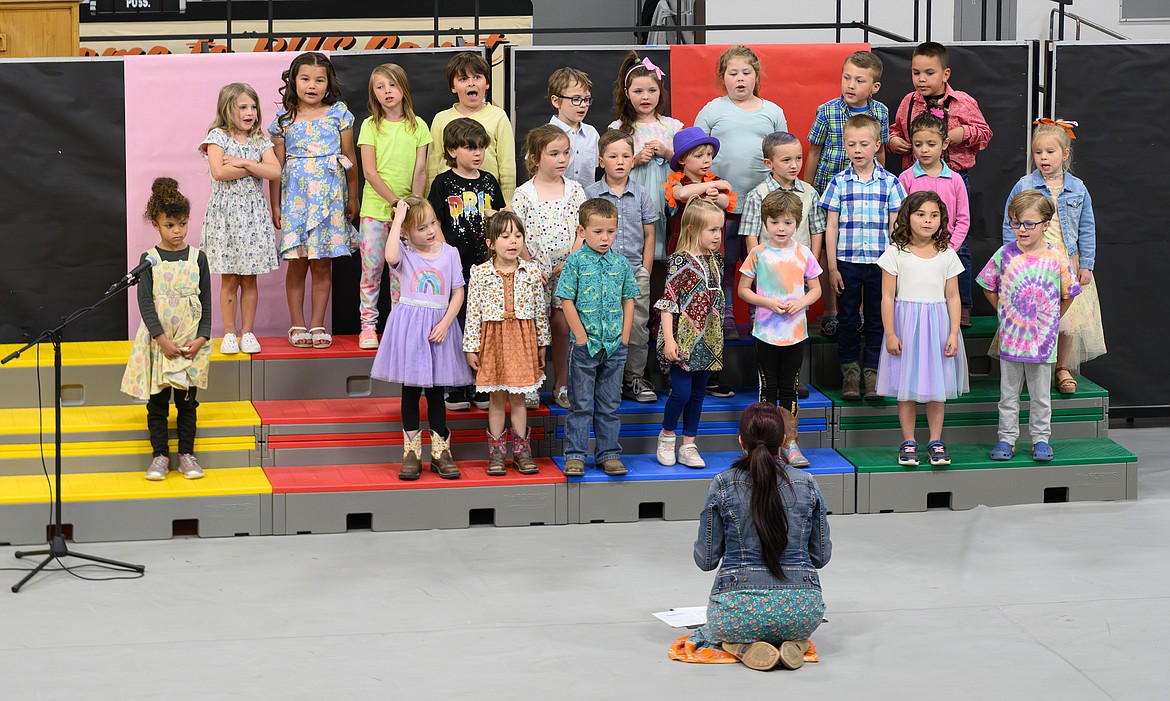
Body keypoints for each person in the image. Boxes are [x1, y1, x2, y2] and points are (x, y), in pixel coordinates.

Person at [670, 402, 831, 672]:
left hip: (737, 614)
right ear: (782, 440)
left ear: (741, 441)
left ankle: (741, 647)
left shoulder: (722, 483)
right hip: (803, 613)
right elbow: (821, 556)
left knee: (714, 631)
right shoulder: (807, 483)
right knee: (793, 627)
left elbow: (706, 560)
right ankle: (797, 644)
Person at [887, 41, 993, 328]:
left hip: (952, 179)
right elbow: (895, 129)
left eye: (929, 73)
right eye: (916, 73)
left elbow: (985, 134)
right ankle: (916, 296)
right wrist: (893, 140)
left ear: (945, 74)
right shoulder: (909, 102)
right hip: (916, 181)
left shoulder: (963, 102)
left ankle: (962, 305)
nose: (921, 79)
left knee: (959, 245)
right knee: (917, 240)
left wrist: (962, 133)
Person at [370, 198, 474, 480]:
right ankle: (411, 452)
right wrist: (399, 219)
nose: (429, 231)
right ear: (406, 233)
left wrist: (446, 323)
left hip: (439, 327)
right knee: (411, 390)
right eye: (421, 228)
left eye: (432, 224)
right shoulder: (403, 251)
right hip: (411, 328)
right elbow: (390, 257)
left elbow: (458, 292)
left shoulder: (449, 253)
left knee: (436, 392)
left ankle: (441, 451)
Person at [1001, 119, 1104, 394]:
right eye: (1038, 152)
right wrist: (1011, 259)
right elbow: (1009, 223)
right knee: (1034, 313)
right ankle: (1033, 365)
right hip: (1033, 261)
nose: (1043, 158)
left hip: (1065, 260)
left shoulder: (1078, 188)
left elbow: (1087, 227)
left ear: (1065, 154)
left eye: (1050, 152)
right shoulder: (1024, 185)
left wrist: (1086, 264)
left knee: (1067, 319)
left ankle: (1061, 368)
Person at [694, 45, 788, 345]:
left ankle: (759, 314)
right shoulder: (713, 110)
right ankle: (725, 316)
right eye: (732, 73)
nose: (740, 79)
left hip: (763, 204)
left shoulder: (772, 111)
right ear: (723, 77)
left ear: (756, 75)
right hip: (720, 204)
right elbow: (694, 155)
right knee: (724, 262)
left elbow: (783, 152)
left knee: (761, 262)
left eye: (746, 73)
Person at [978, 191, 1080, 462]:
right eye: (1016, 223)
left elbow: (1068, 291)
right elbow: (988, 285)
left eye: (1029, 223)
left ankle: (1041, 439)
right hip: (1012, 339)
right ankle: (1006, 439)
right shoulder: (1005, 254)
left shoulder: (1056, 256)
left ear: (1046, 224)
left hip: (1042, 342)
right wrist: (1005, 310)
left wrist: (1053, 318)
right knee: (1008, 395)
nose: (1022, 229)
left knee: (1040, 395)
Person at [268, 52, 359, 350]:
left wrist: (353, 196)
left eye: (319, 80)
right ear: (294, 81)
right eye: (305, 79)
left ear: (328, 83)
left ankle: (318, 322)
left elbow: (351, 159)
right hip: (296, 199)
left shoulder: (339, 115)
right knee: (298, 263)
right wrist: (276, 205)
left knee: (322, 265)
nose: (312, 85)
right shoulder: (283, 122)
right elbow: (276, 169)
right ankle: (297, 323)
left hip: (331, 198)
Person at [121, 178, 210, 481]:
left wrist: (202, 337)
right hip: (161, 344)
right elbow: (145, 303)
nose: (177, 231)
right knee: (158, 402)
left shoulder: (199, 258)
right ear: (156, 224)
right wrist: (160, 339)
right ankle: (160, 456)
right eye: (170, 225)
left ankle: (186, 454)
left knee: (187, 402)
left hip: (189, 344)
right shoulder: (149, 260)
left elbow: (206, 301)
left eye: (182, 224)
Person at [877, 191, 968, 467]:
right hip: (906, 327)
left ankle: (936, 441)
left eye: (934, 215)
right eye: (920, 214)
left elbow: (953, 296)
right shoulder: (895, 252)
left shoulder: (947, 254)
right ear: (908, 217)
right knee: (907, 388)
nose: (927, 221)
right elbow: (886, 297)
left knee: (935, 388)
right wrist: (891, 333)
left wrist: (953, 332)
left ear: (942, 220)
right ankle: (908, 441)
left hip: (937, 327)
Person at [821, 114, 907, 401]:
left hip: (880, 264)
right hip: (847, 262)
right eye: (851, 144)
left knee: (876, 319)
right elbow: (831, 226)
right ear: (844, 147)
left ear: (877, 145)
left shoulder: (890, 183)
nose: (858, 150)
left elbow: (897, 227)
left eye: (864, 144)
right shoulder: (839, 183)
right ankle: (850, 373)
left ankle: (873, 373)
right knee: (846, 319)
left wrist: (896, 265)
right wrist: (832, 267)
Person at [804, 51, 888, 338]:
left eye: (859, 80)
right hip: (831, 189)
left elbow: (883, 150)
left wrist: (882, 185)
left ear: (874, 87)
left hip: (866, 192)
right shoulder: (827, 111)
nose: (850, 85)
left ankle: (860, 313)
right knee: (831, 252)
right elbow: (814, 150)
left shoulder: (881, 113)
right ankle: (830, 312)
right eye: (846, 78)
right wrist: (807, 190)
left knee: (861, 253)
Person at [737, 191, 823, 467]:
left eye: (787, 222)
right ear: (765, 223)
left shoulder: (803, 253)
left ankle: (791, 443)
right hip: (765, 332)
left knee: (791, 388)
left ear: (796, 223)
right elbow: (742, 290)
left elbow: (816, 289)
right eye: (774, 222)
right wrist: (767, 302)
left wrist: (801, 303)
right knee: (767, 389)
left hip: (795, 333)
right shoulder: (758, 253)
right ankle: (763, 444)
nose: (781, 228)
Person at [463, 212, 551, 476]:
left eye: (518, 235)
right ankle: (497, 454)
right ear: (491, 243)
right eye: (505, 236)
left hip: (523, 339)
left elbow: (539, 310)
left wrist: (542, 343)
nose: (513, 241)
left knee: (519, 399)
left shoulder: (532, 271)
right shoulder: (480, 273)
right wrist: (471, 347)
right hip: (493, 341)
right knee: (496, 399)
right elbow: (473, 312)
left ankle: (522, 452)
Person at [556, 198, 639, 477]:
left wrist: (624, 337)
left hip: (615, 345)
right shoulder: (575, 262)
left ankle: (608, 453)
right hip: (585, 347)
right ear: (582, 231)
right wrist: (580, 337)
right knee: (580, 405)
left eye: (611, 232)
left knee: (609, 405)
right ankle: (576, 455)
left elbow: (629, 299)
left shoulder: (621, 263)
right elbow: (566, 300)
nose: (605, 238)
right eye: (598, 232)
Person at [740, 132, 825, 399]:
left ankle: (791, 378)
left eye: (798, 158)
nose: (794, 164)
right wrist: (756, 267)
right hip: (768, 275)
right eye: (786, 159)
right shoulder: (758, 195)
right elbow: (751, 233)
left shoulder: (809, 192)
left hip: (797, 271)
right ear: (769, 163)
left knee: (795, 318)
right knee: (764, 323)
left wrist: (814, 259)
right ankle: (767, 380)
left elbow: (816, 230)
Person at [198, 82, 281, 356]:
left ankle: (248, 331)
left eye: (253, 107)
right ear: (227, 109)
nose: (250, 113)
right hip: (226, 217)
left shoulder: (259, 140)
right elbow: (219, 172)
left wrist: (245, 163)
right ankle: (230, 332)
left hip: (253, 215)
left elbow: (274, 171)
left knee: (249, 279)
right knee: (229, 279)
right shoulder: (217, 137)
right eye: (243, 107)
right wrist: (256, 169)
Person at [428, 118, 504, 411]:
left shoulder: (488, 181)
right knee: (456, 325)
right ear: (451, 150)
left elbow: (498, 217)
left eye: (481, 147)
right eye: (469, 147)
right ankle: (454, 385)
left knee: (482, 326)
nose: (477, 153)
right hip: (454, 269)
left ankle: (479, 383)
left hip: (485, 267)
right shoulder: (443, 182)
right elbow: (433, 223)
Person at [356, 63, 432, 349]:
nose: (387, 92)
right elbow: (370, 172)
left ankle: (400, 327)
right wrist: (395, 203)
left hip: (407, 214)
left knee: (402, 273)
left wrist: (413, 207)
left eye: (392, 85)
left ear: (403, 88)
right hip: (376, 212)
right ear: (373, 93)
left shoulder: (418, 126)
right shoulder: (370, 126)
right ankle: (368, 326)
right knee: (372, 270)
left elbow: (421, 170)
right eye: (380, 87)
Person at [514, 124, 587, 409]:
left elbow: (583, 230)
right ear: (535, 158)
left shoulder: (575, 190)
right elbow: (517, 234)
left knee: (562, 325)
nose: (562, 160)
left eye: (566, 153)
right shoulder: (524, 193)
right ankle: (533, 382)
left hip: (567, 270)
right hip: (534, 271)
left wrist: (570, 260)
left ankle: (562, 384)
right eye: (554, 153)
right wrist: (532, 265)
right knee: (533, 326)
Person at [585, 129, 659, 403]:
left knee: (638, 326)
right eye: (613, 156)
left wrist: (646, 270)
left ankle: (634, 378)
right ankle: (607, 380)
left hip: (634, 273)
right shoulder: (591, 193)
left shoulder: (640, 194)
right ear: (601, 161)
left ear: (633, 159)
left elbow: (649, 234)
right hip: (600, 274)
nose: (620, 161)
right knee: (602, 325)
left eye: (626, 156)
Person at [656, 198, 724, 468]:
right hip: (683, 338)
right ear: (694, 229)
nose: (718, 236)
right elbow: (668, 303)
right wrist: (669, 340)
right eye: (712, 230)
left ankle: (689, 444)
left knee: (698, 393)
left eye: (719, 230)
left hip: (709, 339)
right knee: (681, 393)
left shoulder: (716, 259)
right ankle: (667, 436)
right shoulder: (679, 261)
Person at [609, 51, 683, 259]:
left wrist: (668, 153)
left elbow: (685, 162)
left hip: (665, 192)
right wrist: (635, 159)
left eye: (652, 90)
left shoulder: (671, 126)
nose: (645, 97)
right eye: (638, 91)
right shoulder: (619, 128)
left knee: (663, 235)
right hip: (632, 190)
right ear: (626, 92)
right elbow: (610, 164)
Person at [426, 52, 516, 201]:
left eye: (477, 77)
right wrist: (430, 202)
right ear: (453, 86)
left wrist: (506, 204)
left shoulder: (499, 116)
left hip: (486, 198)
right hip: (450, 200)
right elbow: (432, 165)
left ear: (487, 83)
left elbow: (507, 166)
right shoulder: (441, 119)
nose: (471, 83)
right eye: (463, 79)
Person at [896, 112, 970, 258]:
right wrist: (911, 245)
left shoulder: (955, 180)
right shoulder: (906, 178)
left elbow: (963, 219)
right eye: (918, 144)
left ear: (945, 143)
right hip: (914, 250)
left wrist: (950, 248)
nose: (924, 150)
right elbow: (901, 216)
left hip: (949, 251)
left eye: (931, 144)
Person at [548, 67, 600, 188]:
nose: (583, 105)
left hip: (586, 202)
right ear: (556, 101)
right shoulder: (544, 135)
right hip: (554, 201)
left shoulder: (592, 133)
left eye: (586, 100)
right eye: (575, 99)